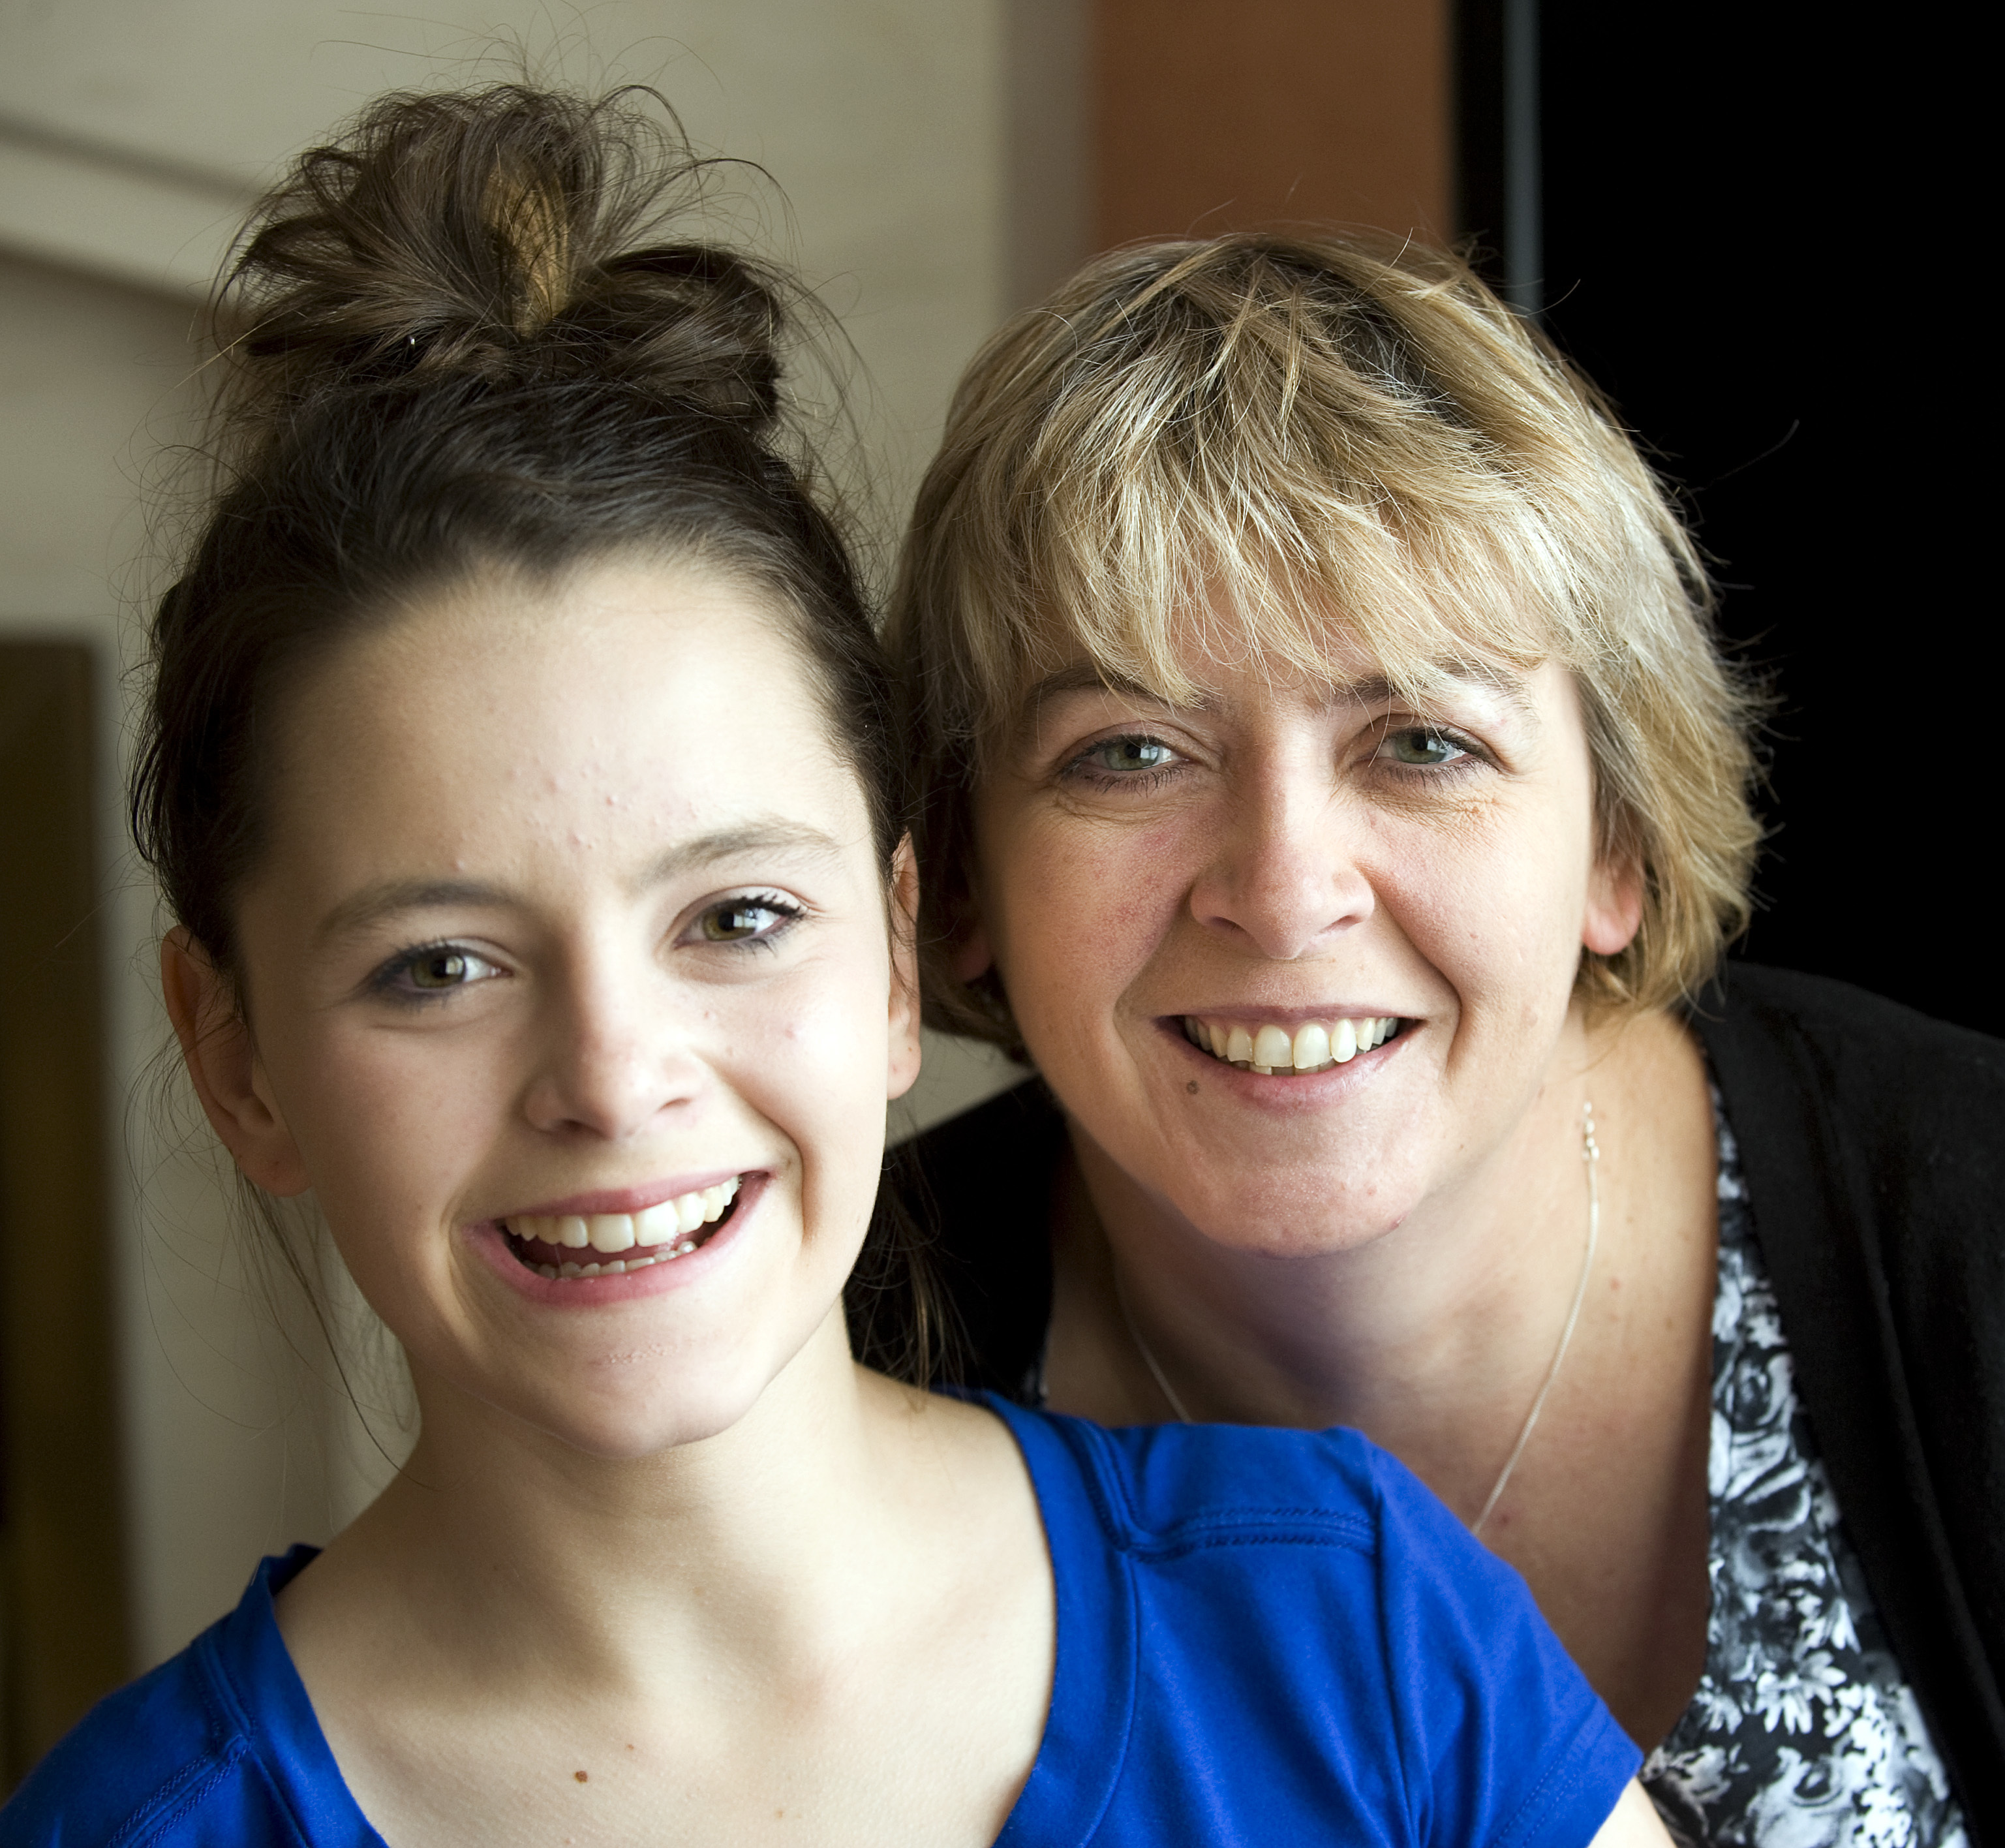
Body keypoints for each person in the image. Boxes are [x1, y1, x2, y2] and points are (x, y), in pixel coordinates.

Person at [0, 87, 1668, 1848]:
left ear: (891, 953)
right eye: (440, 967)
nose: (615, 1079)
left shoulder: (1347, 1632)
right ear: (239, 1054)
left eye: (733, 920)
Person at [887, 232, 2002, 1847]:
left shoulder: (1973, 1234)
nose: (1281, 894)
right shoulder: (813, 1343)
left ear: (1616, 841)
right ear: (964, 865)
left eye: (1421, 740)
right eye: (1129, 751)